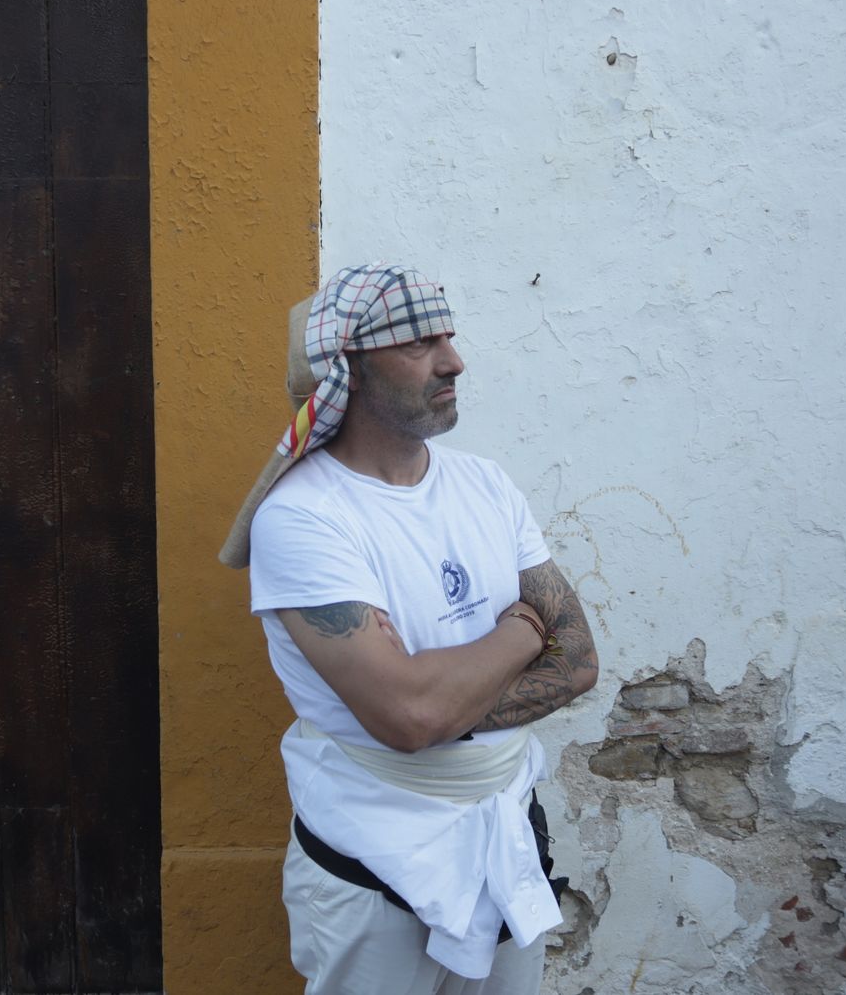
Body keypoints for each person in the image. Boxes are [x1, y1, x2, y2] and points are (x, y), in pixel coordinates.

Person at [220, 263, 599, 995]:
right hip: (370, 867)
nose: (454, 360)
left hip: (505, 842)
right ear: (349, 371)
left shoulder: (485, 485)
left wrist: (439, 701)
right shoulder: (304, 519)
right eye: (418, 342)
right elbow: (408, 714)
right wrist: (522, 631)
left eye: (448, 336)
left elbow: (579, 661)